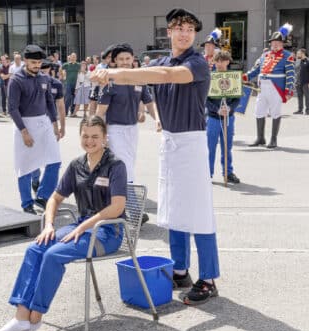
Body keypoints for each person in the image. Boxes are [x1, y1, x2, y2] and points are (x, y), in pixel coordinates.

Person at [91, 8, 220, 305]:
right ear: (169, 32)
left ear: (195, 34)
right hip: (171, 142)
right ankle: (180, 269)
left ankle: (209, 278)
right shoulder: (162, 60)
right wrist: (108, 75)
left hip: (191, 141)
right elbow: (150, 73)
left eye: (190, 29)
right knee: (174, 209)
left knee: (199, 213)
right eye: (179, 28)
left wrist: (112, 72)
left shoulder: (197, 63)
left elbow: (163, 75)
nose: (184, 33)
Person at [0, 116, 127, 331]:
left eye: (95, 136)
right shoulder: (77, 165)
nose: (90, 141)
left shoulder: (116, 166)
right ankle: (21, 316)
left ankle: (34, 318)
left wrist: (85, 226)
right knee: (36, 248)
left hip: (107, 232)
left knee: (53, 255)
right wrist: (48, 225)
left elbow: (117, 207)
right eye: (85, 136)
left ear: (105, 138)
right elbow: (54, 198)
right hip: (80, 227)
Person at [96, 43, 158, 224]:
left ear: (133, 60)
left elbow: (149, 103)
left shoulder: (139, 80)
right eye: (121, 59)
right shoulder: (110, 82)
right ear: (114, 62)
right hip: (114, 130)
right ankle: (133, 209)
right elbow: (100, 112)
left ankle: (113, 206)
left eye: (128, 59)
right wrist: (101, 135)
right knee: (125, 168)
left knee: (125, 167)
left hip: (132, 130)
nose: (125, 62)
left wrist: (158, 119)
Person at [8, 45, 61, 214]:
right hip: (25, 125)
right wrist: (24, 131)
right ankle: (26, 204)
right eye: (33, 62)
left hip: (44, 123)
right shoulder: (16, 80)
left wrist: (55, 124)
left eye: (39, 62)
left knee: (55, 160)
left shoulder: (43, 78)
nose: (37, 65)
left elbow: (50, 103)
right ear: (25, 61)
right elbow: (12, 108)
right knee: (25, 166)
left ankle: (43, 196)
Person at [243, 23, 295, 148]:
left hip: (276, 86)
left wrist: (289, 91)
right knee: (259, 111)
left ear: (283, 44)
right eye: (273, 42)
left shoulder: (288, 56)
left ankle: (273, 139)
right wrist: (245, 76)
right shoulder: (264, 55)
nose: (275, 44)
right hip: (262, 86)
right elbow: (255, 70)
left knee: (275, 112)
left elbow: (291, 75)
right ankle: (260, 138)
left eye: (278, 42)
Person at [29, 60, 68, 200]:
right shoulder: (31, 82)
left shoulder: (56, 84)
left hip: (51, 126)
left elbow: (61, 106)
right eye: (41, 70)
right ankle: (35, 179)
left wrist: (62, 126)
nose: (43, 72)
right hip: (34, 124)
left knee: (53, 159)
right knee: (35, 157)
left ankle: (44, 194)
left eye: (45, 70)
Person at [206, 51, 241, 184]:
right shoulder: (210, 78)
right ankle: (208, 173)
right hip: (213, 118)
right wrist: (217, 109)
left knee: (227, 146)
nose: (220, 63)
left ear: (228, 61)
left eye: (223, 60)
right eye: (217, 61)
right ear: (214, 62)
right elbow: (205, 100)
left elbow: (237, 98)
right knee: (210, 146)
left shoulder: (234, 77)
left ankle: (228, 171)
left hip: (229, 117)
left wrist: (230, 108)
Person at [293, 48, 309, 115]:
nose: (297, 55)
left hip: (306, 82)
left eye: (298, 53)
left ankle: (307, 110)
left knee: (307, 96)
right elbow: (295, 71)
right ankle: (300, 110)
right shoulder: (298, 61)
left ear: (302, 53)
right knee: (299, 96)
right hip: (298, 82)